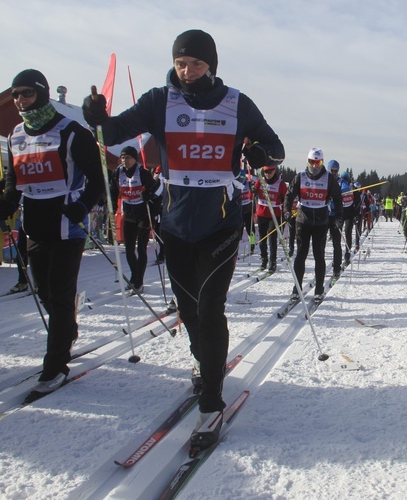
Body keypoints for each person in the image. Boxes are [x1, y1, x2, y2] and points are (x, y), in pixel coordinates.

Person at [82, 29, 284, 451]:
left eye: (194, 63)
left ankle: (210, 404)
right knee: (189, 309)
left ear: (211, 64)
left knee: (210, 309)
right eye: (180, 63)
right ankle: (202, 358)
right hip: (175, 225)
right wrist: (96, 116)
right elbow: (115, 131)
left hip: (221, 224)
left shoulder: (236, 103)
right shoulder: (160, 100)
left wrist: (261, 154)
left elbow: (275, 146)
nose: (186, 71)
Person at [0, 69, 104, 398]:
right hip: (34, 226)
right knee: (44, 293)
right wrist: (8, 202)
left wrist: (82, 205)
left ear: (41, 92)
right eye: (15, 95)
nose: (20, 100)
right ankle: (67, 326)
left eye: (26, 93)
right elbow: (16, 181)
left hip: (68, 226)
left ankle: (55, 365)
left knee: (58, 294)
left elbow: (97, 181)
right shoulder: (15, 135)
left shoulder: (71, 132)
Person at [283, 148, 342, 303]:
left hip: (321, 222)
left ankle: (319, 289)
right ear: (308, 161)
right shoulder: (300, 177)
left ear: (322, 162)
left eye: (318, 162)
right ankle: (296, 289)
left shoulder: (329, 179)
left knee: (319, 256)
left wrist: (338, 218)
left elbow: (338, 199)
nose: (315, 166)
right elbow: (289, 195)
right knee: (300, 255)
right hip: (303, 220)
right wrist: (287, 212)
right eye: (312, 162)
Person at [110, 145, 160, 294]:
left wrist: (149, 195)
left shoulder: (143, 173)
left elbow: (155, 193)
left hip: (143, 214)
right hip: (129, 214)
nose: (125, 160)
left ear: (134, 159)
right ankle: (135, 277)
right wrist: (110, 204)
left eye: (128, 158)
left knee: (141, 249)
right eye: (123, 157)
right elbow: (113, 190)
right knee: (129, 249)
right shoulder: (117, 172)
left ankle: (138, 281)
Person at [254, 164, 286, 272]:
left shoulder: (280, 184)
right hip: (262, 213)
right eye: (266, 172)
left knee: (272, 239)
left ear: (274, 171)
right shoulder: (260, 181)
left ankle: (273, 262)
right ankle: (264, 260)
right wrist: (253, 189)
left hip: (274, 214)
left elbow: (286, 198)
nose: (268, 174)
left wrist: (283, 200)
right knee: (262, 238)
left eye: (270, 172)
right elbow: (253, 192)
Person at [339, 170, 360, 267]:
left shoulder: (352, 188)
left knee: (348, 233)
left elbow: (357, 202)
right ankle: (338, 256)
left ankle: (347, 255)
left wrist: (356, 214)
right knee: (338, 235)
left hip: (349, 214)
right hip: (340, 213)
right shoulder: (338, 186)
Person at [326, 160, 343, 279]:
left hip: (336, 216)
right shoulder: (324, 180)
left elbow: (346, 191)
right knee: (320, 243)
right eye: (332, 170)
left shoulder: (341, 182)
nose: (334, 173)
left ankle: (337, 267)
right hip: (324, 215)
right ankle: (319, 268)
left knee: (336, 243)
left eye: (335, 171)